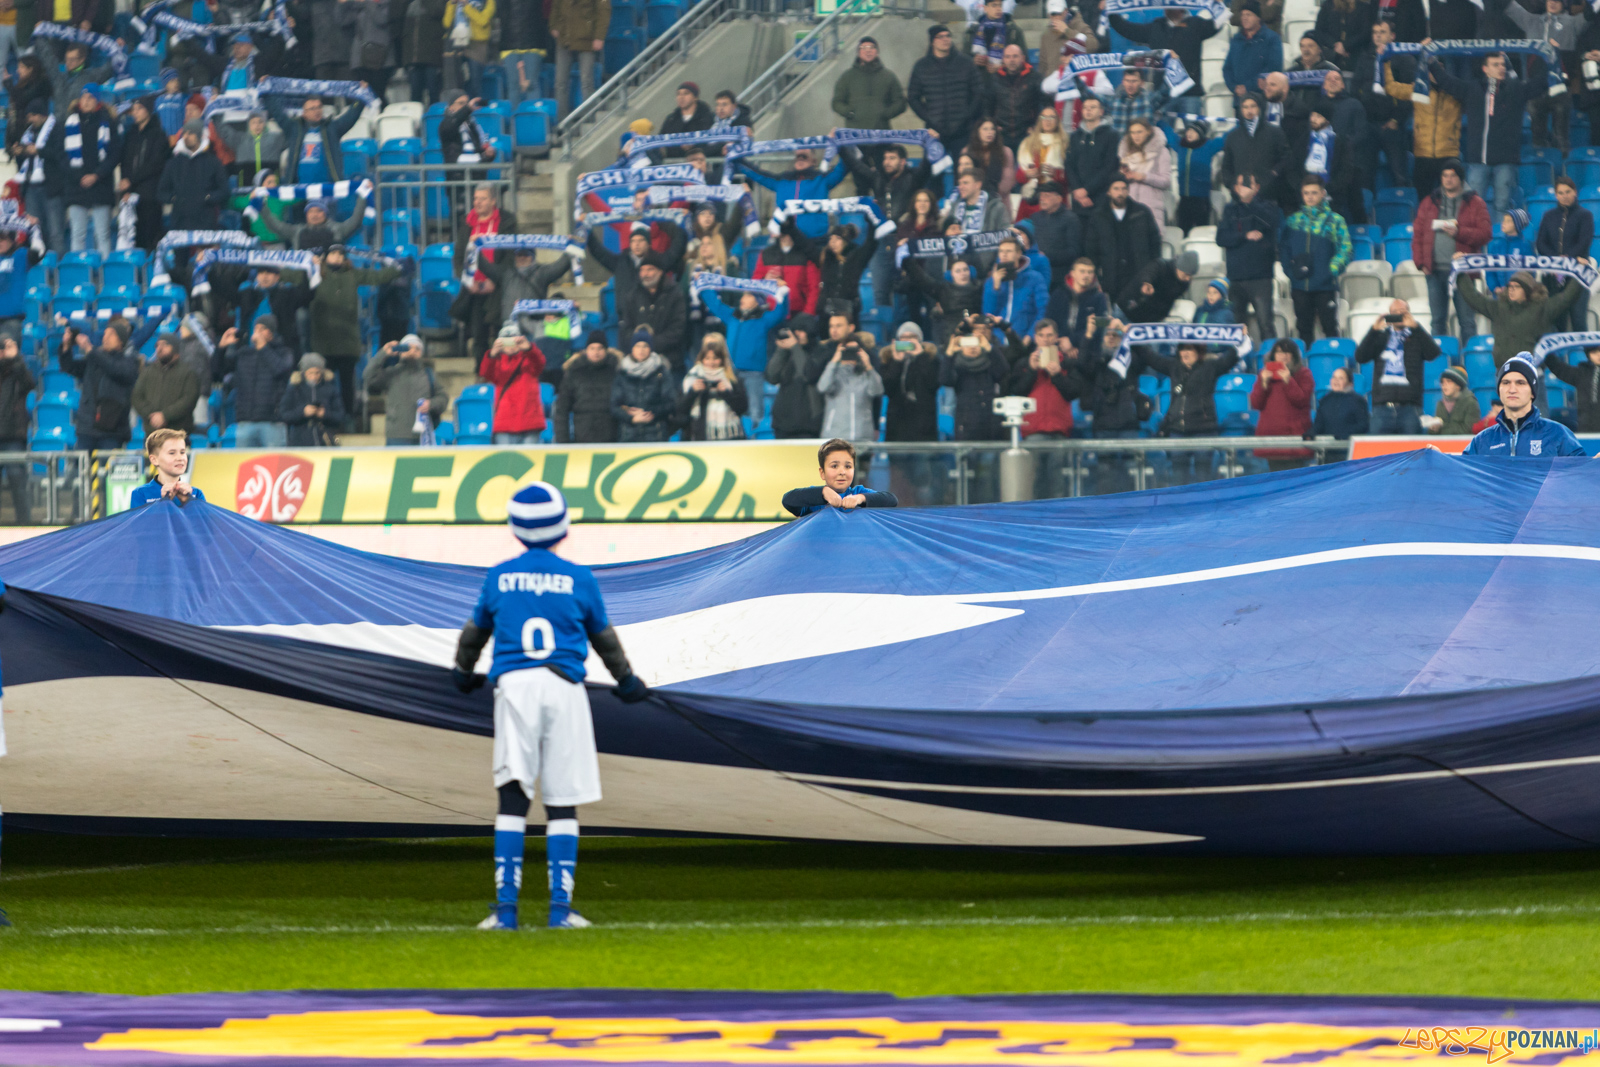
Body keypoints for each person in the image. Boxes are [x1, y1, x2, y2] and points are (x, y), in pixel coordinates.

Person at [452, 480, 649, 931]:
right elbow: (605, 640)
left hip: (515, 689)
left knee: (512, 797)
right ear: (563, 528)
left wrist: (462, 673)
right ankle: (560, 911)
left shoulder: (499, 576)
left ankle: (505, 913)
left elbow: (473, 633)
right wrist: (628, 682)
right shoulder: (579, 578)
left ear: (515, 529)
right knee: (563, 802)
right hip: (565, 691)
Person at [1429, 53, 1535, 220]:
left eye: (1502, 64)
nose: (1501, 68)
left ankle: (1499, 243)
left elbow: (1541, 84)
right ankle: (1477, 245)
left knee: (1502, 206)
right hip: (1478, 161)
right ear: (1485, 69)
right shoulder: (1473, 89)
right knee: (1474, 209)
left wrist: (1552, 58)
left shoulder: (1515, 89)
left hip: (1505, 161)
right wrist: (1431, 61)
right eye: (1495, 64)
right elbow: (1447, 82)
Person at [313, 244, 404, 414]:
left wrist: (397, 269)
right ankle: (327, 419)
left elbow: (377, 277)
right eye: (333, 254)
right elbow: (291, 274)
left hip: (348, 344)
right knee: (323, 386)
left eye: (341, 255)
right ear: (326, 257)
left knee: (348, 385)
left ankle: (348, 418)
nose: (338, 258)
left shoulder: (352, 274)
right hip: (323, 344)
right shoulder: (315, 273)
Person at [1412, 161, 1490, 345]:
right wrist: (1421, 263)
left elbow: (1485, 234)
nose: (1448, 180)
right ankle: (1440, 363)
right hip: (1434, 271)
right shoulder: (1429, 202)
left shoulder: (1475, 203)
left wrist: (1459, 232)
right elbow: (1418, 234)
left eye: (1452, 176)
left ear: (1461, 179)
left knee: (1467, 322)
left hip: (1462, 272)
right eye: (1444, 176)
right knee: (1437, 322)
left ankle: (1469, 365)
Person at [1143, 340, 1240, 482]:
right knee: (1178, 479)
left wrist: (1240, 337)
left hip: (1204, 431)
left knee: (1203, 477)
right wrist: (1131, 334)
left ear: (1198, 352)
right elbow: (1150, 357)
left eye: (1189, 349)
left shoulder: (1210, 367)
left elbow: (1231, 358)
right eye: (1182, 349)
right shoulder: (1174, 367)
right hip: (1178, 431)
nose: (1185, 353)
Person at [1458, 269, 1586, 372]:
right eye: (1510, 286)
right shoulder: (1498, 307)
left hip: (1531, 372)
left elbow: (1566, 298)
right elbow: (1473, 298)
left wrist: (1580, 272)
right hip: (1504, 372)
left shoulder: (1542, 309)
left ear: (1527, 290)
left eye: (1517, 286)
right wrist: (1461, 272)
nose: (1511, 289)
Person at [700, 284, 788, 430]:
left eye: (748, 295)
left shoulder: (763, 319)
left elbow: (781, 312)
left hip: (753, 373)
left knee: (754, 410)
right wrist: (705, 286)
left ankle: (755, 438)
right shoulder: (732, 315)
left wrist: (783, 295)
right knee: (729, 408)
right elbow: (715, 305)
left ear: (757, 301)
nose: (743, 298)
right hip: (730, 372)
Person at [61, 314, 155, 451]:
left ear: (121, 340)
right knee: (82, 469)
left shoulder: (129, 361)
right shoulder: (95, 358)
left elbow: (114, 369)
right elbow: (69, 367)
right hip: (87, 427)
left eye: (111, 335)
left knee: (108, 469)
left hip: (112, 430)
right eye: (105, 334)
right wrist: (66, 348)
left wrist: (90, 350)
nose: (105, 338)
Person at [47, 84, 121, 256]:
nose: (86, 101)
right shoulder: (68, 123)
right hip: (75, 186)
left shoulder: (109, 122)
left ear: (97, 101)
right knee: (77, 234)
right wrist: (79, 176)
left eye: (90, 98)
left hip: (101, 185)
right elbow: (62, 156)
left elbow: (115, 154)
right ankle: (79, 273)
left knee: (102, 233)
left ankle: (104, 274)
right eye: (84, 97)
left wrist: (96, 175)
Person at [1463, 354, 1587, 455]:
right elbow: (1463, 475)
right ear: (1499, 391)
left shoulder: (1557, 434)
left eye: (1520, 383)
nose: (1512, 389)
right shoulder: (1482, 441)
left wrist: (1595, 467)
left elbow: (1580, 474)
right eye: (1506, 383)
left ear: (1533, 392)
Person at [1279, 175, 1351, 344]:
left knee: (1330, 327)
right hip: (1299, 285)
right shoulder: (1293, 221)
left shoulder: (1335, 221)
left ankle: (1335, 366)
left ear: (1322, 193)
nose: (1310, 197)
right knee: (1303, 329)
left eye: (1314, 193)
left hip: (1325, 285)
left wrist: (1331, 270)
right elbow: (1283, 250)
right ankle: (1305, 369)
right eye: (1306, 193)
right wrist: (1290, 271)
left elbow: (1346, 249)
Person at [1505, 0, 1584, 153]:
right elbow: (1509, 6)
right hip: (1535, 88)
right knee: (1537, 138)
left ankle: (1563, 175)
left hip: (1561, 88)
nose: (1552, 3)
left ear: (1564, 4)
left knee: (1561, 138)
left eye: (1557, 0)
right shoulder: (1531, 20)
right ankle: (1541, 170)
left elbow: (1590, 13)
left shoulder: (1573, 23)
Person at [1353, 298, 1440, 434]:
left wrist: (1416, 328)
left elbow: (1433, 353)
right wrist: (1373, 331)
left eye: (1403, 312)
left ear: (1409, 314)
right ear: (1389, 315)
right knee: (1379, 453)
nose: (1399, 315)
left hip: (1410, 408)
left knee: (1411, 453)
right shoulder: (1381, 337)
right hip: (1382, 408)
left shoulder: (1417, 336)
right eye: (1394, 312)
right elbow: (1360, 357)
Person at [735, 145, 849, 241]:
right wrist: (735, 157)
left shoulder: (823, 179)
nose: (800, 158)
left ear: (814, 160)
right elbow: (756, 173)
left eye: (804, 156)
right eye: (798, 156)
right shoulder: (781, 180)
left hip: (815, 241)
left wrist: (845, 143)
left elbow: (845, 165)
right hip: (786, 241)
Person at [215, 315, 296, 448]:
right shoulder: (244, 354)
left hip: (272, 422)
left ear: (271, 333)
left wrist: (263, 348)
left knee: (274, 465)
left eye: (262, 329)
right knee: (245, 465)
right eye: (256, 328)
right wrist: (221, 348)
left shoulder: (284, 352)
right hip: (246, 420)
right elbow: (217, 372)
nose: (257, 332)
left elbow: (281, 371)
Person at [1216, 175, 1281, 341]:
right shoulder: (1230, 209)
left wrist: (1251, 202)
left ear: (1257, 187)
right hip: (1236, 278)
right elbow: (1221, 238)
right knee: (1236, 326)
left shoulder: (1268, 207)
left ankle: (1271, 363)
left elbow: (1271, 223)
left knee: (1266, 324)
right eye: (1238, 184)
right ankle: (1238, 362)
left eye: (1246, 184)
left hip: (1260, 278)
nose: (1241, 187)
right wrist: (1245, 235)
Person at [1085, 178, 1162, 311]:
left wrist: (1150, 275)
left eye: (1123, 189)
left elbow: (1155, 244)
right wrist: (1097, 277)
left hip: (1139, 277)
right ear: (1108, 192)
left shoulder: (1142, 212)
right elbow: (1091, 249)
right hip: (1111, 280)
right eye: (1116, 189)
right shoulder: (1098, 216)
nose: (1120, 193)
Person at [1534, 176, 1596, 335]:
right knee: (1555, 322)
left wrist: (1566, 260)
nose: (1564, 195)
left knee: (1578, 321)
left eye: (1568, 191)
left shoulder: (1585, 215)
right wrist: (1556, 261)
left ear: (1575, 192)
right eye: (1560, 193)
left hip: (1578, 277)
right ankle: (1559, 360)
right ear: (1556, 195)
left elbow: (1584, 242)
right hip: (1553, 277)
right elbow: (1541, 243)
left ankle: (1586, 359)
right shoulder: (1548, 216)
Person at [908, 24, 984, 152]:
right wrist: (929, 117)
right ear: (932, 41)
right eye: (940, 37)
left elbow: (978, 92)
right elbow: (913, 97)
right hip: (934, 132)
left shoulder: (965, 63)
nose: (945, 39)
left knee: (965, 169)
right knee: (934, 171)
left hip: (963, 130)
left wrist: (966, 115)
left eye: (948, 36)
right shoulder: (921, 66)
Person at [264, 90, 365, 185]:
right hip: (299, 189)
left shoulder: (332, 128)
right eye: (312, 108)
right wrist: (267, 92)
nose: (317, 111)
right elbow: (277, 113)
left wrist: (361, 96)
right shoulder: (294, 129)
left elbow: (351, 116)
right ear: (304, 113)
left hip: (326, 189)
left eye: (319, 107)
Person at [362, 334, 448, 445]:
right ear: (400, 351)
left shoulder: (428, 375)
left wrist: (431, 404)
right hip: (396, 436)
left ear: (421, 353)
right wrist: (383, 353)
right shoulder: (392, 373)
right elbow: (368, 377)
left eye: (417, 349)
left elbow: (443, 397)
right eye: (408, 347)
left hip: (422, 436)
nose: (413, 351)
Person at [782, 438, 898, 516]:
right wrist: (823, 492)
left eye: (848, 466)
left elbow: (891, 500)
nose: (842, 472)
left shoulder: (858, 492)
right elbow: (788, 500)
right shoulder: (814, 498)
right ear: (822, 473)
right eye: (834, 466)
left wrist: (860, 498)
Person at [816, 315, 884, 441]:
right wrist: (835, 360)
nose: (850, 353)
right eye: (847, 350)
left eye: (854, 350)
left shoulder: (866, 375)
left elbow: (877, 391)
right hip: (834, 437)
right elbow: (822, 387)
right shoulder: (834, 373)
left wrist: (868, 365)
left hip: (862, 438)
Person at [478, 323, 548, 445]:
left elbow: (540, 363)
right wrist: (492, 354)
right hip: (505, 423)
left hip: (530, 421)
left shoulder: (529, 359)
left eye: (514, 341)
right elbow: (486, 373)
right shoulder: (497, 362)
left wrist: (529, 348)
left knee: (531, 462)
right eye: (506, 342)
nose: (510, 346)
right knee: (507, 463)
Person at [1250, 338, 1314, 470]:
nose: (1283, 356)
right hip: (1271, 440)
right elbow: (1256, 404)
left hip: (1294, 442)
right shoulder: (1264, 374)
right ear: (1273, 355)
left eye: (1287, 352)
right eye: (1279, 352)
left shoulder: (1304, 374)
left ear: (1294, 355)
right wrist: (1263, 384)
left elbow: (1302, 400)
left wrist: (1288, 381)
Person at [157, 119, 229, 235]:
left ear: (199, 136)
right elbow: (161, 192)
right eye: (184, 133)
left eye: (191, 133)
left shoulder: (213, 161)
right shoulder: (173, 162)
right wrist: (175, 198)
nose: (186, 136)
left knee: (205, 253)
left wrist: (208, 197)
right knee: (180, 253)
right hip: (180, 221)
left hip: (206, 221)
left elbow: (224, 190)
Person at [119, 96, 173, 252]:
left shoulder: (158, 134)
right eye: (133, 110)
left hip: (151, 194)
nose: (135, 113)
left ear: (148, 110)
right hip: (132, 195)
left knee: (151, 237)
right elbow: (125, 161)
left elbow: (155, 164)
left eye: (139, 109)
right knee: (134, 238)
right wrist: (125, 186)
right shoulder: (130, 134)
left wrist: (131, 180)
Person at [1218, 94, 1290, 209]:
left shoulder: (1274, 133)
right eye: (1245, 107)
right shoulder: (1233, 136)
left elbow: (1285, 158)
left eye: (1253, 106)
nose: (1249, 110)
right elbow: (1226, 166)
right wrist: (1233, 185)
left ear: (1260, 108)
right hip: (1240, 198)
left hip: (1269, 196)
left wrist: (1272, 175)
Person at [1292, 103, 1358, 228]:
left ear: (1327, 119)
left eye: (1318, 116)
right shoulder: (1303, 140)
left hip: (1332, 199)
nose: (1313, 119)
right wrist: (1299, 186)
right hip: (1304, 199)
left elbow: (1346, 171)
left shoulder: (1340, 142)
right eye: (1312, 115)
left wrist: (1329, 188)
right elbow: (1292, 166)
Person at [131, 329, 202, 438]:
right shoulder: (147, 372)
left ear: (175, 348)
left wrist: (165, 416)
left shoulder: (188, 373)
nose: (159, 349)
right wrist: (152, 415)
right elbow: (136, 396)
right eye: (157, 345)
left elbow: (189, 400)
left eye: (164, 345)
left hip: (178, 434)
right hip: (152, 435)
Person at [611, 327, 677, 442]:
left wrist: (650, 413)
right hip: (628, 436)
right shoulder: (622, 373)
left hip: (656, 434)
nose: (641, 350)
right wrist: (632, 418)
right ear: (632, 348)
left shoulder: (661, 372)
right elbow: (615, 406)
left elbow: (671, 403)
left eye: (645, 346)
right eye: (638, 346)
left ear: (650, 348)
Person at [676, 337, 748, 441]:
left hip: (729, 440)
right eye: (707, 358)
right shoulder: (691, 379)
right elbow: (679, 410)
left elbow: (743, 408)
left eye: (715, 358)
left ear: (722, 360)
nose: (711, 362)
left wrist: (727, 394)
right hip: (698, 438)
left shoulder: (732, 379)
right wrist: (693, 393)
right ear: (701, 359)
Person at [554, 331, 619, 443]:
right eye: (592, 348)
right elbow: (561, 409)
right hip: (582, 438)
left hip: (611, 438)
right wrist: (563, 441)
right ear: (586, 350)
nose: (596, 352)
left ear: (606, 350)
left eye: (600, 348)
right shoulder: (574, 372)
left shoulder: (616, 372)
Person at [832, 37, 907, 134]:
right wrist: (849, 112)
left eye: (872, 47)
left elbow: (900, 102)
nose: (868, 51)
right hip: (854, 135)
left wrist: (885, 114)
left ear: (877, 52)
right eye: (864, 48)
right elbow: (837, 102)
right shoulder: (847, 77)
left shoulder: (888, 76)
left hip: (882, 134)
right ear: (858, 52)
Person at [766, 314, 822, 440]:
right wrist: (781, 350)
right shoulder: (788, 353)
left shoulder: (820, 352)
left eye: (802, 331)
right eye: (795, 331)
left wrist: (795, 348)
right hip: (782, 423)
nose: (797, 335)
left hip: (808, 425)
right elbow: (771, 376)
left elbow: (808, 373)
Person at [549, 0, 605, 120]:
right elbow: (555, 6)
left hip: (587, 39)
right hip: (565, 39)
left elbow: (603, 11)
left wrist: (599, 36)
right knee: (560, 83)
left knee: (586, 81)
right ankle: (562, 123)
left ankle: (590, 120)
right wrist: (553, 25)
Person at [0, 336, 35, 524]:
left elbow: (30, 384)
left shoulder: (17, 370)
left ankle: (25, 525)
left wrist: (17, 359)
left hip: (13, 436)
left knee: (17, 483)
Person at [277, 351, 347, 446]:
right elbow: (283, 414)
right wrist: (302, 412)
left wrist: (325, 414)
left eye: (317, 373)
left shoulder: (331, 389)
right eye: (310, 373)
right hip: (299, 442)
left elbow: (340, 415)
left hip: (324, 441)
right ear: (304, 372)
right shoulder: (294, 389)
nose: (314, 377)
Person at [1044, 257, 1110, 356]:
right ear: (1072, 273)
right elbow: (1049, 320)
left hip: (1088, 350)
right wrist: (1063, 342)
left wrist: (1072, 341)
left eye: (1090, 272)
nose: (1086, 275)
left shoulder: (1100, 298)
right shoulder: (1058, 294)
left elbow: (1101, 326)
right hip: (1058, 347)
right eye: (1082, 271)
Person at [1065, 97, 1119, 211]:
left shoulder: (1112, 135)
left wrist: (1087, 190)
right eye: (1085, 108)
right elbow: (1069, 165)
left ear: (1101, 111)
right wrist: (1077, 189)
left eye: (1092, 107)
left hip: (1101, 196)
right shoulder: (1075, 136)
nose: (1088, 110)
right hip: (1078, 197)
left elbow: (1109, 167)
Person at [129, 428, 207, 508]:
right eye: (172, 453)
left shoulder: (196, 494)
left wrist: (189, 503)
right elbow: (142, 520)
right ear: (154, 460)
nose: (180, 458)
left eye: (182, 452)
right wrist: (164, 502)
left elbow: (204, 520)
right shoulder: (141, 494)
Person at [1223, 0, 1283, 103]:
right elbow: (1227, 68)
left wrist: (1248, 87)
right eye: (1242, 15)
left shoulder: (1272, 39)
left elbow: (1274, 68)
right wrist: (1234, 87)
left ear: (1258, 18)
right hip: (1240, 101)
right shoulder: (1236, 40)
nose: (1244, 18)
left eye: (1249, 14)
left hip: (1262, 99)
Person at [1173, 119, 1225, 235]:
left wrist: (1243, 122)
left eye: (1193, 131)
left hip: (1201, 200)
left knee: (1202, 231)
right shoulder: (1181, 145)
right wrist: (1158, 120)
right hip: (1184, 199)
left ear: (1200, 134)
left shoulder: (1208, 146)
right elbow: (1168, 134)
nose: (1189, 133)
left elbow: (1226, 138)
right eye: (1188, 130)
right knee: (1183, 231)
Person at [1117, 118, 1170, 230]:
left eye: (1139, 132)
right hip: (1128, 207)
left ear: (1148, 131)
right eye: (1132, 132)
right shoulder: (1124, 154)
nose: (1136, 136)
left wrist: (1144, 177)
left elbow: (1166, 181)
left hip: (1152, 209)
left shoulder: (1161, 152)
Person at [1119, 251, 1200, 325]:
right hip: (1127, 310)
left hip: (1150, 319)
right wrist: (1146, 282)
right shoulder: (1161, 266)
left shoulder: (1185, 283)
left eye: (1191, 276)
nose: (1188, 278)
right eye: (1186, 274)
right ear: (1178, 267)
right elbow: (1149, 273)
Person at [440, 0, 493, 99]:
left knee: (475, 83)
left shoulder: (487, 2)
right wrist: (452, 4)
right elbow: (446, 23)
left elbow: (483, 21)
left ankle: (475, 109)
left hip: (477, 45)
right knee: (456, 82)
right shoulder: (453, 2)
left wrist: (466, 5)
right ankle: (459, 109)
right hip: (457, 44)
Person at [403, 0, 447, 106]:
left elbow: (438, 12)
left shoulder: (437, 3)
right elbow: (405, 35)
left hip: (432, 58)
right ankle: (417, 120)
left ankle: (434, 120)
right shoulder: (411, 6)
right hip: (414, 60)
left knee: (433, 92)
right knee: (415, 95)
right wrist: (405, 61)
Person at [439, 90, 498, 167]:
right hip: (458, 174)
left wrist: (488, 155)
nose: (465, 106)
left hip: (475, 173)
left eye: (466, 103)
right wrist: (467, 109)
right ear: (451, 107)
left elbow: (480, 151)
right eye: (461, 103)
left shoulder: (472, 125)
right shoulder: (445, 124)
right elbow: (451, 126)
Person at [1312, 365, 1370, 439]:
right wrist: (1310, 434)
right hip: (1329, 446)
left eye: (1341, 378)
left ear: (1350, 384)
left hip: (1349, 445)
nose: (1336, 381)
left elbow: (1363, 426)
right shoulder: (1325, 400)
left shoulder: (1358, 401)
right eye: (1334, 377)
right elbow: (1318, 425)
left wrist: (1344, 434)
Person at [1430, 365, 1482, 435]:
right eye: (1443, 382)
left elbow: (1469, 429)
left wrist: (1442, 428)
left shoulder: (1470, 403)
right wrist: (1433, 429)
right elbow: (1433, 434)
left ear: (1458, 385)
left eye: (1449, 381)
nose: (1444, 385)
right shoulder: (1440, 404)